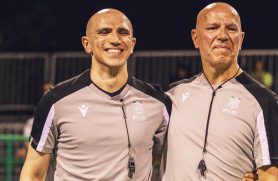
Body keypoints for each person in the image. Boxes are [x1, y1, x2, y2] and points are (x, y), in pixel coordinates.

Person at [20, 9, 170, 181]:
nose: (115, 40)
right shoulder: (55, 101)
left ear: (132, 44)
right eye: (104, 32)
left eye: (123, 32)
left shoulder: (157, 103)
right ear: (87, 44)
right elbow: (32, 174)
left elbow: (154, 157)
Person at [162, 2, 278, 180]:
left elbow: (271, 177)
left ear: (241, 39)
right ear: (196, 38)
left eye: (231, 29)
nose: (222, 36)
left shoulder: (264, 101)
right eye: (212, 28)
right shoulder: (173, 95)